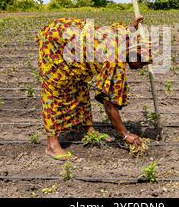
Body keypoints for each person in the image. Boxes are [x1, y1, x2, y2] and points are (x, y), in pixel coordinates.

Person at [36, 16, 150, 161]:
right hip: (56, 41)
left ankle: (88, 130)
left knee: (79, 84)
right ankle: (52, 146)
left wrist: (132, 26)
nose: (140, 68)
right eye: (142, 63)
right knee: (55, 90)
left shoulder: (125, 37)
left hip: (72, 38)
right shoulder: (115, 59)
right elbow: (109, 104)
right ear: (135, 54)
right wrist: (125, 134)